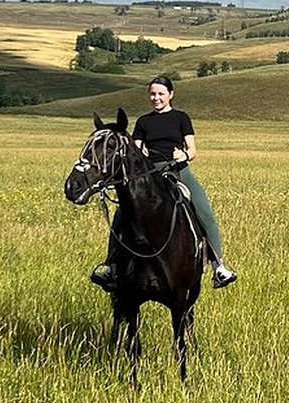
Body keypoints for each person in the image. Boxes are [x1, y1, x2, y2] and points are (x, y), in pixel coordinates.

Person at [92, 76, 238, 291]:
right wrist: (141, 153)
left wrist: (184, 155)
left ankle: (219, 267)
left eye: (160, 94)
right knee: (122, 214)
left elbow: (193, 150)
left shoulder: (181, 118)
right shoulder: (143, 122)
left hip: (178, 171)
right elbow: (136, 149)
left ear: (171, 95)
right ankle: (112, 266)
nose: (156, 98)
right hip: (151, 173)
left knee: (204, 211)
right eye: (152, 94)